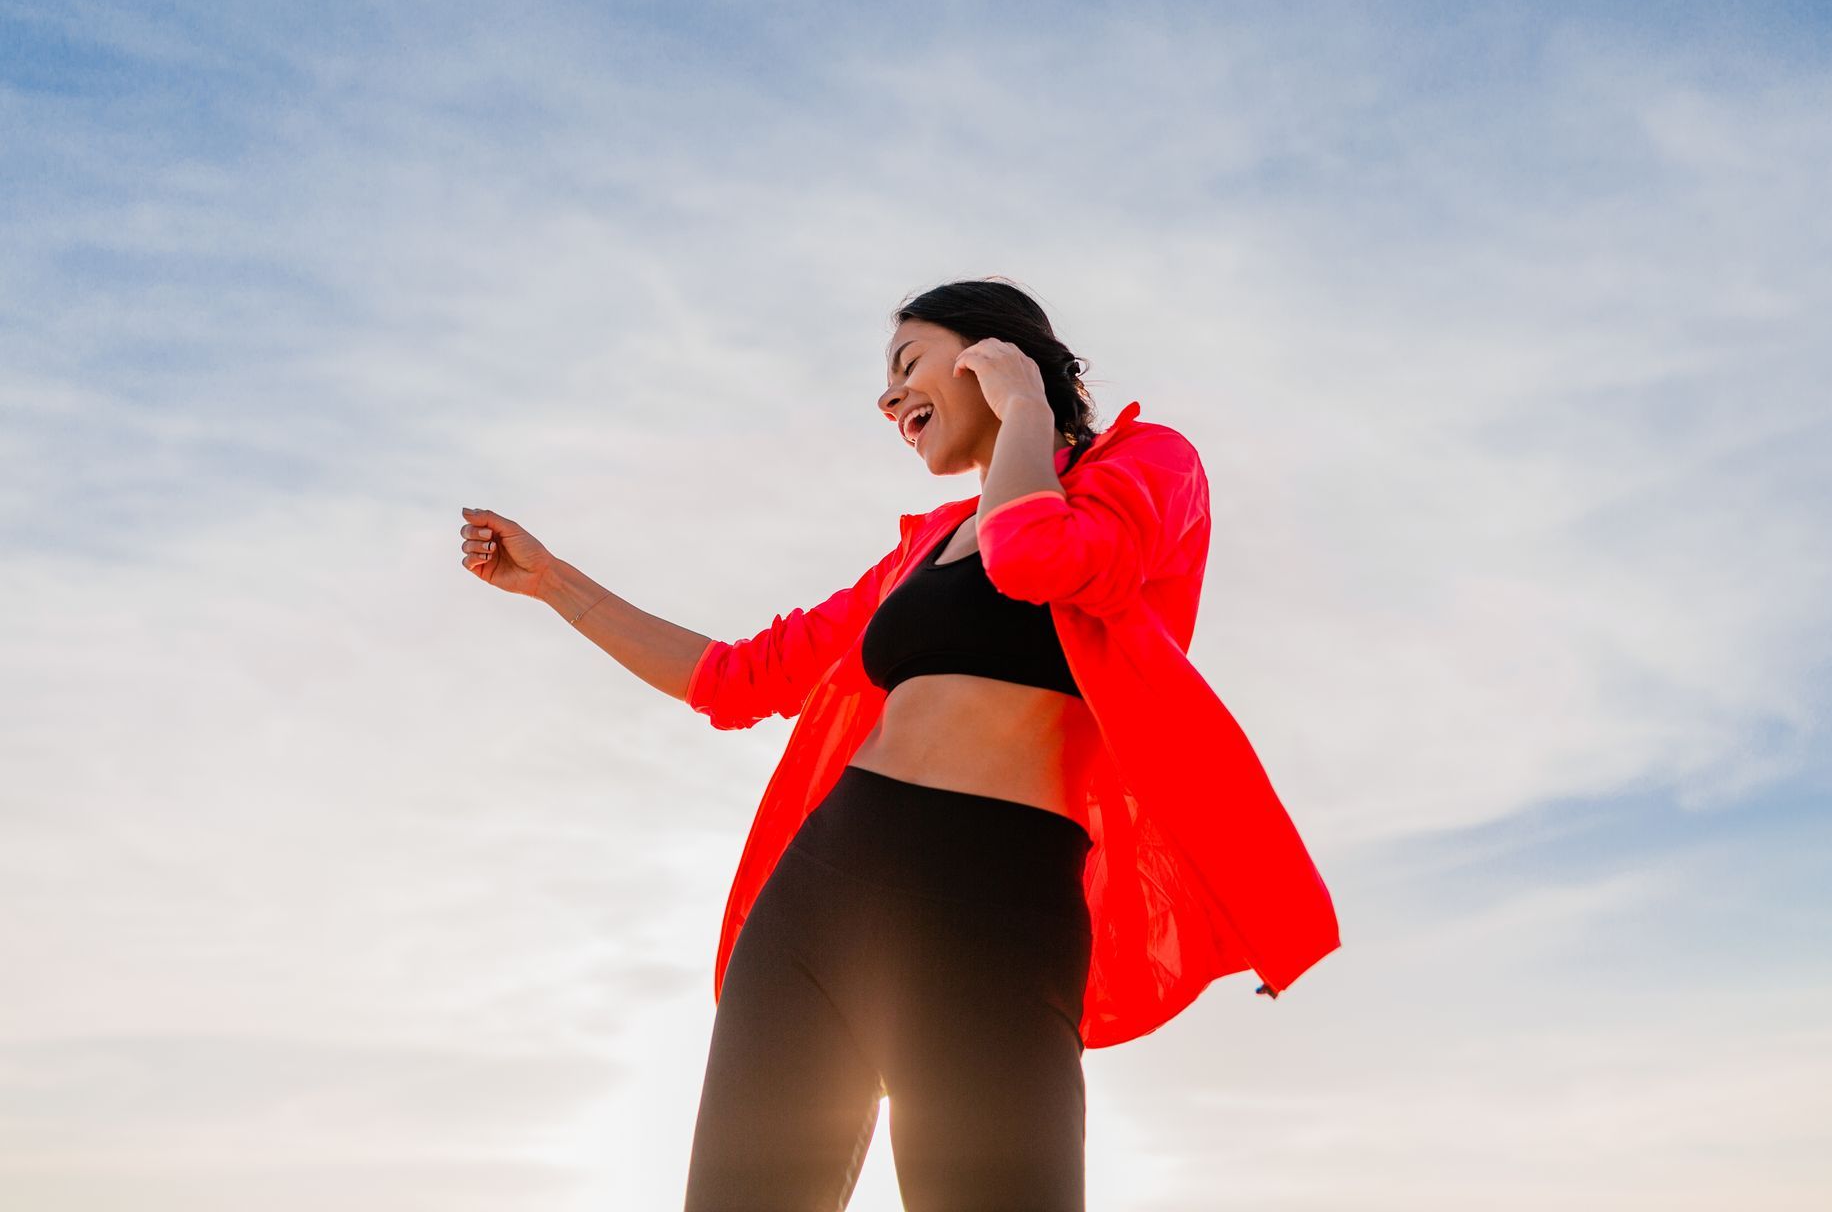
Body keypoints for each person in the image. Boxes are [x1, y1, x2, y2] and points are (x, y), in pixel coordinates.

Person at [457, 277, 1340, 1211]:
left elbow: (1039, 558)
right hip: (822, 892)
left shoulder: (1146, 465)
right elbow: (738, 677)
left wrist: (1028, 410)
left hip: (999, 905)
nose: (886, 399)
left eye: (907, 363)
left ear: (990, 355)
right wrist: (552, 582)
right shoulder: (919, 557)